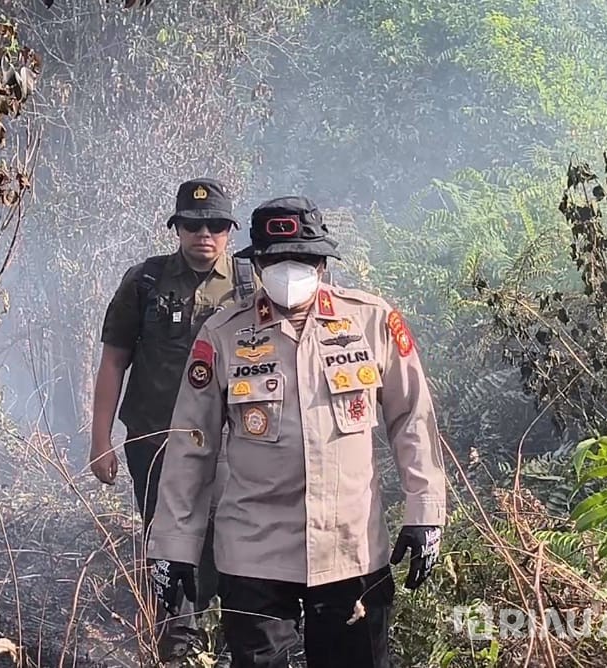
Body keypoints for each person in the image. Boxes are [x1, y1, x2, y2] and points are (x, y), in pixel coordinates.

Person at [145, 195, 448, 668]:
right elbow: (191, 444)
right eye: (276, 259)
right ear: (258, 264)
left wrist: (425, 511)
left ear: (323, 263)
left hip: (351, 549)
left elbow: (411, 417)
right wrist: (173, 545)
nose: (290, 269)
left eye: (302, 258)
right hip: (253, 555)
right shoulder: (223, 335)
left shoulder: (371, 321)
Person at [89, 177, 256, 662]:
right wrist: (101, 439)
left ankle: (232, 633)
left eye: (214, 225)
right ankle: (177, 639)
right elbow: (114, 359)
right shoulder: (144, 281)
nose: (203, 234)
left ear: (229, 230)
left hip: (231, 439)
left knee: (226, 532)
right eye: (192, 224)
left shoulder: (252, 283)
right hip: (155, 435)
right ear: (176, 227)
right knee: (165, 533)